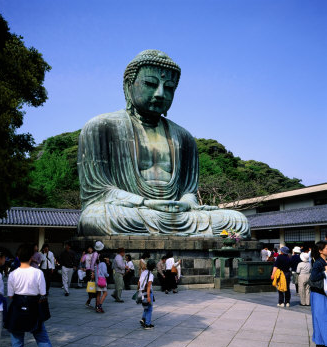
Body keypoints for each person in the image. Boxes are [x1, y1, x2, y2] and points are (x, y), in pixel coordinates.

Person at [77, 49, 250, 238]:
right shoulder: (101, 127)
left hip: (178, 214)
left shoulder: (184, 137)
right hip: (131, 211)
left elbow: (189, 192)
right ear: (128, 85)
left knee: (237, 221)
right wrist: (145, 203)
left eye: (168, 88)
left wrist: (185, 202)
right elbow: (98, 192)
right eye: (151, 84)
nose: (160, 94)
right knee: (95, 218)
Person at [7, 244, 66, 347]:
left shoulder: (13, 274)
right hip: (33, 306)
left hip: (17, 307)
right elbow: (43, 292)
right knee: (43, 339)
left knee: (17, 343)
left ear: (17, 257)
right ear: (32, 257)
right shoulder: (37, 273)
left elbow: (10, 295)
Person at [310, 241, 327, 347]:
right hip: (318, 294)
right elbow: (313, 277)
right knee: (319, 318)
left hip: (324, 293)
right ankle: (320, 346)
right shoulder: (318, 263)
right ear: (321, 251)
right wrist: (324, 272)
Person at [82, 243, 101, 307]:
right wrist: (83, 255)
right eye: (88, 248)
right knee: (91, 286)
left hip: (94, 271)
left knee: (93, 286)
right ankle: (90, 300)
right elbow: (82, 261)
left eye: (90, 248)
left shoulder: (95, 254)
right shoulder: (92, 254)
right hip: (90, 271)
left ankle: (90, 301)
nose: (89, 250)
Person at [138, 259, 156, 330]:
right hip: (148, 293)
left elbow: (139, 282)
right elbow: (149, 286)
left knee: (146, 307)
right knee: (149, 309)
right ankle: (147, 324)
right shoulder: (150, 275)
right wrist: (148, 296)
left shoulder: (143, 272)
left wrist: (139, 290)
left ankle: (144, 319)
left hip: (142, 292)